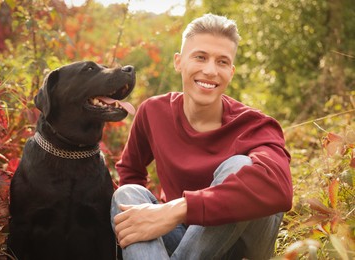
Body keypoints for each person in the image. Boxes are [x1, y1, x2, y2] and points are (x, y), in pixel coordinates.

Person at [111, 13, 293, 260]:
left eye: (222, 62)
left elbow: (279, 189)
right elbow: (130, 172)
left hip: (241, 244)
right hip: (184, 237)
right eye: (200, 57)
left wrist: (178, 209)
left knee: (240, 167)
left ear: (231, 71)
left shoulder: (254, 125)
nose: (210, 70)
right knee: (127, 194)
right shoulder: (153, 112)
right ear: (178, 62)